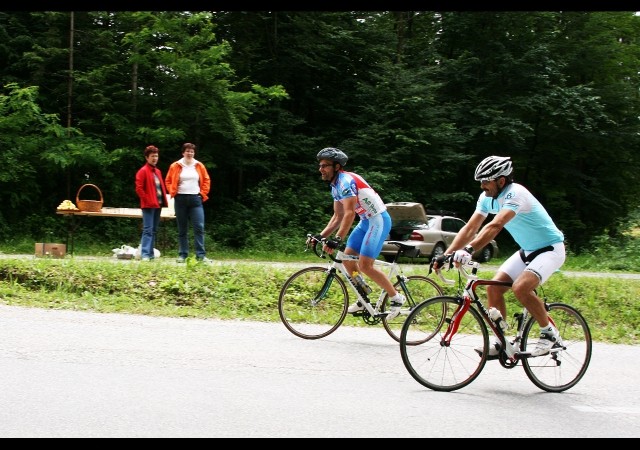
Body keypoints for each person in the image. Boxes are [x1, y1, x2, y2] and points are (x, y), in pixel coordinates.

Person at [434, 155, 566, 358]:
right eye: (480, 182)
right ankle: (502, 342)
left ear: (501, 181)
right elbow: (470, 228)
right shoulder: (487, 198)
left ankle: (549, 334)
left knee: (521, 288)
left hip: (550, 249)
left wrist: (469, 250)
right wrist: (447, 254)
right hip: (527, 250)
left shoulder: (516, 194)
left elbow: (495, 225)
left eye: (486, 181)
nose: (482, 186)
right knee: (493, 289)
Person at [310, 147, 405, 320]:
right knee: (347, 261)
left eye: (325, 166)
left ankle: (396, 297)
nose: (321, 169)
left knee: (365, 265)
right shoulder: (335, 186)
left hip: (378, 220)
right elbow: (337, 216)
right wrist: (320, 236)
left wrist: (337, 239)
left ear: (337, 167)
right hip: (365, 222)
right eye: (320, 165)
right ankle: (363, 296)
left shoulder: (346, 182)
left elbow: (349, 213)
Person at [165, 142, 212, 263]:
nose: (190, 153)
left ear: (194, 153)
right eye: (187, 151)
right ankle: (183, 255)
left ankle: (200, 255)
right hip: (180, 199)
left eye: (192, 151)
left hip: (196, 199)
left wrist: (202, 194)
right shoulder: (175, 165)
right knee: (182, 229)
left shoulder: (199, 165)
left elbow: (206, 180)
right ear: (183, 152)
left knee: (199, 227)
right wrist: (172, 191)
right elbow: (168, 180)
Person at [135, 145, 169, 261]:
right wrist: (147, 200)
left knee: (154, 230)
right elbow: (139, 189)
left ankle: (150, 254)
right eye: (152, 156)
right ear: (147, 157)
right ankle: (145, 254)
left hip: (158, 204)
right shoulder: (143, 171)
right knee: (148, 230)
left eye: (156, 156)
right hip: (148, 205)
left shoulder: (158, 171)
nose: (155, 158)